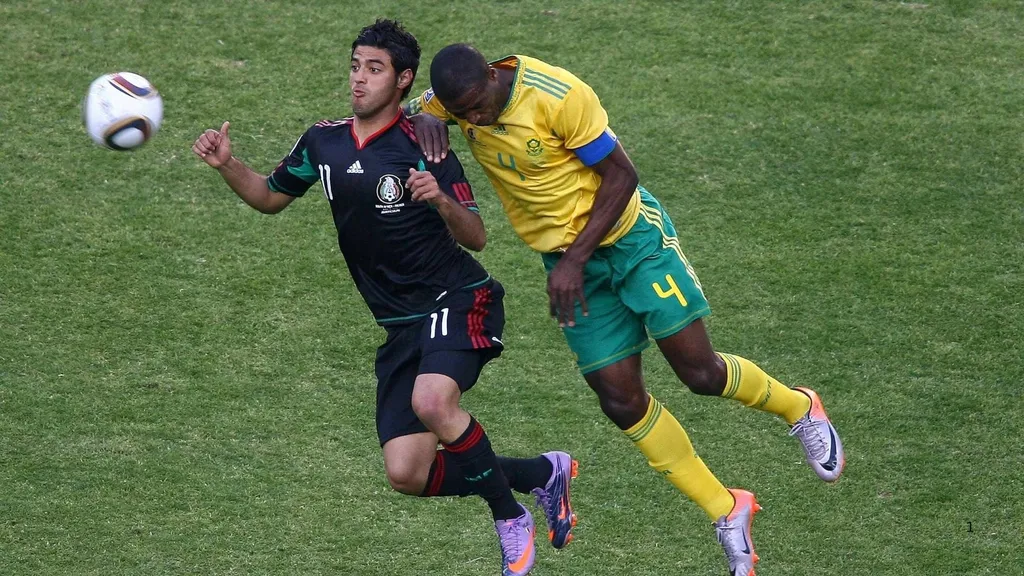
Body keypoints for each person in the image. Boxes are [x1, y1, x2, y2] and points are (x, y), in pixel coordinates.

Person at [404, 44, 846, 576]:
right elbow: (426, 106)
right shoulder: (459, 100)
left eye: (478, 106)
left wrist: (576, 260)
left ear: (495, 77)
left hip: (630, 241)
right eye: (464, 113)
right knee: (619, 398)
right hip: (570, 265)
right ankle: (728, 509)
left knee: (699, 373)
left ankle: (799, 407)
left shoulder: (559, 96)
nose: (475, 118)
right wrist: (429, 118)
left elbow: (622, 176)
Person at [191, 22, 578, 576]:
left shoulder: (425, 142)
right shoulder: (322, 141)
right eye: (355, 66)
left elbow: (476, 235)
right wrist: (227, 163)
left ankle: (508, 516)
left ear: (402, 80)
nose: (359, 79)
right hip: (400, 325)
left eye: (374, 69)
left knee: (433, 404)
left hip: (459, 297)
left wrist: (440, 199)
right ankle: (542, 473)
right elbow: (270, 197)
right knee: (406, 473)